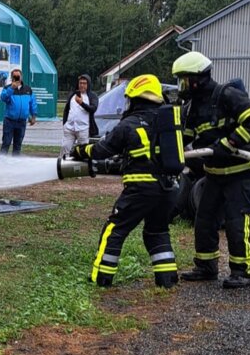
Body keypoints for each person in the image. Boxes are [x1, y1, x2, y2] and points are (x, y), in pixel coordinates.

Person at [70, 74, 178, 288]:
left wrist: (81, 150)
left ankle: (101, 277)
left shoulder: (128, 124)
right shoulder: (167, 123)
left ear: (136, 99)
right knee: (157, 231)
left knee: (115, 229)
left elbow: (101, 150)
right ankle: (167, 281)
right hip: (169, 188)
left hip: (141, 188)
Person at [173, 51, 250, 289]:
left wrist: (231, 142)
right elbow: (187, 137)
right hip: (213, 173)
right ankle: (206, 267)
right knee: (204, 219)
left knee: (236, 221)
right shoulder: (192, 107)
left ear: (197, 78)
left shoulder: (228, 95)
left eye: (183, 79)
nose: (181, 85)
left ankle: (242, 271)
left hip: (240, 171)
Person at [0, 68, 37, 156]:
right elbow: (3, 98)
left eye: (18, 76)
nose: (16, 78)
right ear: (12, 77)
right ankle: (1, 163)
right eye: (14, 76)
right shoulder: (7, 88)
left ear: (21, 77)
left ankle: (15, 164)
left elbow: (33, 103)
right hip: (10, 121)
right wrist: (11, 89)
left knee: (18, 145)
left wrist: (33, 116)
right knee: (6, 142)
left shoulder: (28, 89)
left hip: (22, 122)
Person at [61, 74, 98, 157]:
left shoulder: (92, 96)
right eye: (80, 83)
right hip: (69, 128)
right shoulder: (72, 95)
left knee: (83, 151)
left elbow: (93, 109)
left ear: (88, 84)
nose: (82, 85)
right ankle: (63, 166)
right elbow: (67, 110)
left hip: (83, 129)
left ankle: (82, 168)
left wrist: (81, 103)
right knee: (65, 147)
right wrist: (64, 124)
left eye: (84, 83)